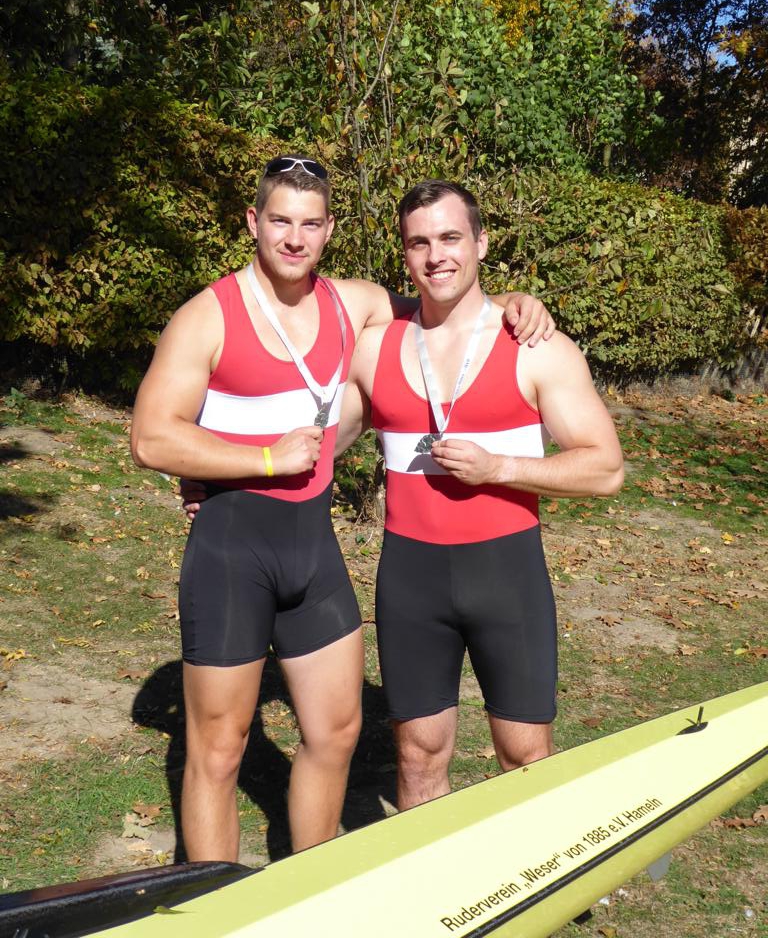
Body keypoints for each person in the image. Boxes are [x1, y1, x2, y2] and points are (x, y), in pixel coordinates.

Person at [130, 155, 554, 862]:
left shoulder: (355, 305)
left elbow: (446, 301)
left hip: (313, 556)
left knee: (335, 735)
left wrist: (516, 300)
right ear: (253, 223)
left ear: (329, 230)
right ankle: (211, 900)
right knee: (220, 748)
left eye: (310, 224)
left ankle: (311, 884)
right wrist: (262, 461)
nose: (294, 239)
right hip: (233, 552)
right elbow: (150, 437)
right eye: (279, 222)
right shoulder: (208, 315)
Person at [338, 179, 624, 811]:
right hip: (410, 577)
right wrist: (226, 477)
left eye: (450, 237)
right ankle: (428, 874)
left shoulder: (535, 345)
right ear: (404, 254)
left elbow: (605, 468)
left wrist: (499, 468)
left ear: (481, 243)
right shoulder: (375, 348)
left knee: (525, 757)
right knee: (418, 756)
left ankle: (538, 869)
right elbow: (322, 445)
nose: (436, 255)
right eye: (419, 242)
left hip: (505, 573)